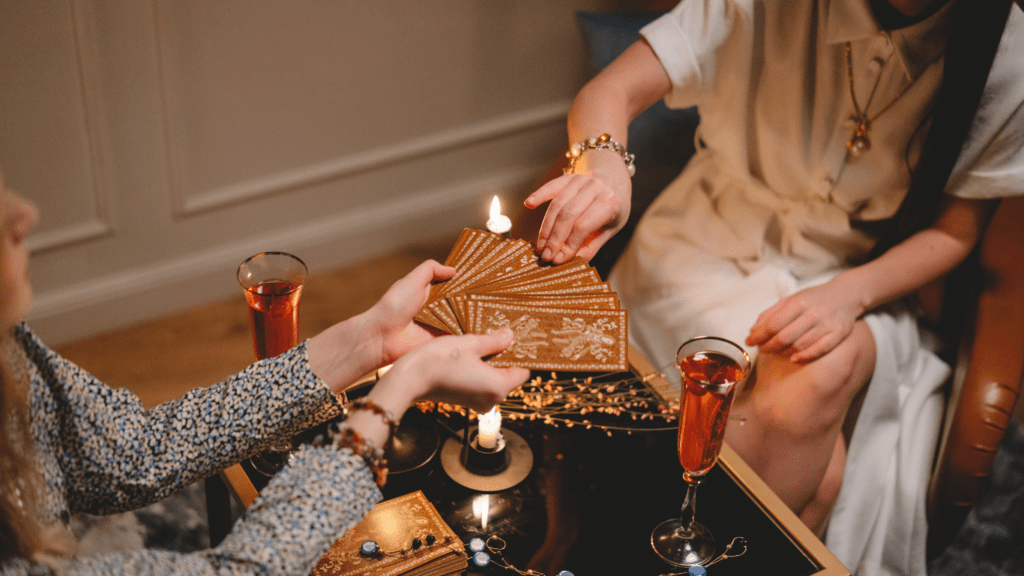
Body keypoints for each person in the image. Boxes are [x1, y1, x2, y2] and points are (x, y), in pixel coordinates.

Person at [523, 0, 1023, 574]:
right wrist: (606, 168)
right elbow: (607, 92)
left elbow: (955, 233)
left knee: (817, 378)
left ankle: (698, 552)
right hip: (705, 244)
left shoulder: (1008, 52)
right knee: (823, 477)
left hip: (862, 271)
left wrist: (848, 295)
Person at [0, 172, 530, 574]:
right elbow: (243, 569)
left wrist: (371, 339)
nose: (25, 213)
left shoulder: (10, 352)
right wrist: (397, 390)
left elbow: (132, 453)